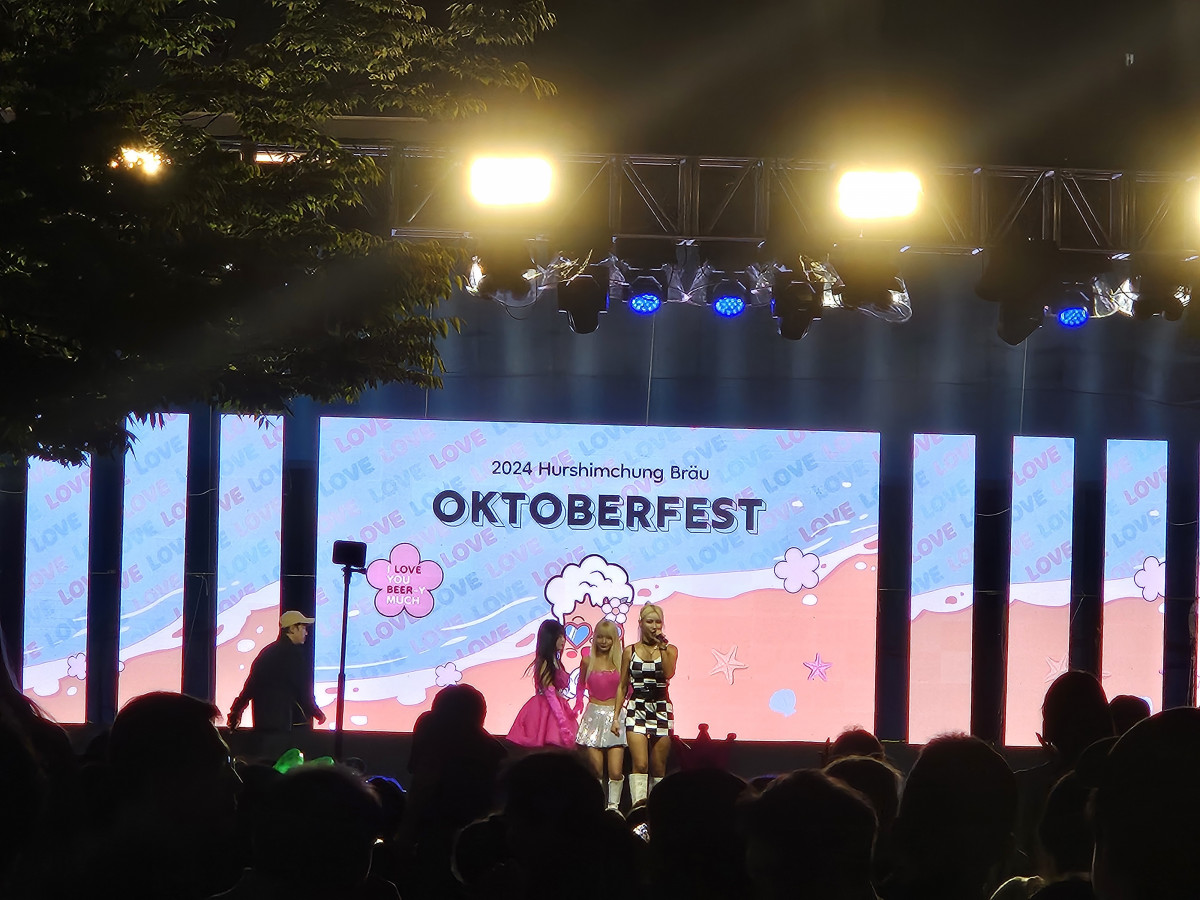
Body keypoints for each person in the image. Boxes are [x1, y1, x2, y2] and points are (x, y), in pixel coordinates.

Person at [612, 603, 677, 807]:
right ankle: (638, 809)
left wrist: (663, 648)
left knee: (658, 767)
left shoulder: (670, 650)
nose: (654, 626)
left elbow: (668, 673)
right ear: (640, 623)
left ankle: (657, 810)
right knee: (640, 764)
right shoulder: (630, 651)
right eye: (650, 621)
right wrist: (615, 717)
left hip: (661, 707)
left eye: (658, 622)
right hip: (637, 707)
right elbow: (622, 685)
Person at [227, 610, 327, 734]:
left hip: (262, 722)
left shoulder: (267, 652)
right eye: (303, 628)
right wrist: (316, 712)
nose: (306, 632)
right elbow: (303, 689)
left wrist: (236, 711)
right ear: (292, 629)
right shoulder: (295, 655)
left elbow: (250, 685)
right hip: (286, 722)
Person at [572, 619, 627, 810]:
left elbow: (626, 690)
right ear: (594, 638)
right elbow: (580, 686)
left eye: (608, 638)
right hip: (593, 715)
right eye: (600, 637)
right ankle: (596, 808)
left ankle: (613, 808)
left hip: (615, 716)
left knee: (615, 771)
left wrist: (619, 714)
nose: (604, 641)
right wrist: (578, 705)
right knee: (595, 771)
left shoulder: (621, 662)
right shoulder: (587, 661)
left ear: (614, 640)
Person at [506, 619, 578, 748]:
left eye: (563, 636)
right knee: (548, 742)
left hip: (557, 705)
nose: (563, 640)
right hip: (546, 708)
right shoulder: (545, 662)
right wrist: (562, 721)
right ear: (550, 639)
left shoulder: (555, 661)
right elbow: (549, 692)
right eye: (559, 637)